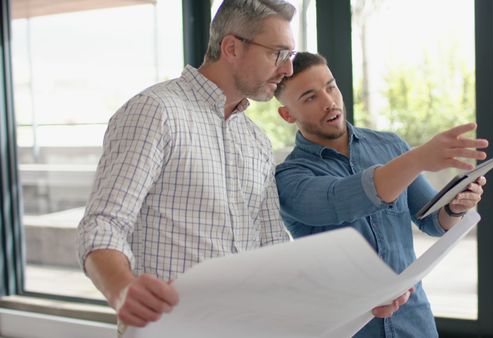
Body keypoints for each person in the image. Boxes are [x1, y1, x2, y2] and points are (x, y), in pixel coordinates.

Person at [77, 1, 409, 334]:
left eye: (289, 56)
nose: (287, 70)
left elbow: (275, 256)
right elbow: (102, 223)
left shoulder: (255, 141)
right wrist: (122, 289)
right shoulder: (155, 112)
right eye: (277, 54)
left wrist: (357, 297)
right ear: (232, 47)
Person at [274, 52, 489, 337]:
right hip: (349, 329)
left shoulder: (390, 146)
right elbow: (342, 199)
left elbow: (433, 222)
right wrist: (418, 158)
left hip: (414, 322)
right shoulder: (289, 177)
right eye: (310, 97)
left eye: (330, 86)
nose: (329, 102)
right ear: (288, 114)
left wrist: (455, 207)